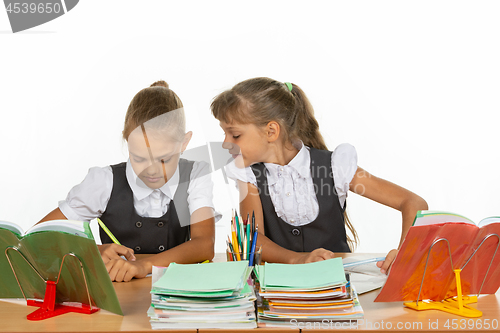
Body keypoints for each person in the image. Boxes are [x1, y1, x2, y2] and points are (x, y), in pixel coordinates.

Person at [211, 77, 428, 274]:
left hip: (340, 289)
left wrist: (406, 255)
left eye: (235, 134)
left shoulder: (335, 166)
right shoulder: (248, 174)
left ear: (271, 132)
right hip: (281, 291)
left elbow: (413, 202)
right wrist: (299, 259)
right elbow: (255, 241)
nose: (225, 143)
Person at [39, 81, 217, 282]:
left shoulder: (195, 174)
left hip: (177, 293)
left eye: (164, 159)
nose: (152, 170)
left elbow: (205, 244)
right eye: (139, 158)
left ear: (184, 143)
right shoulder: (104, 181)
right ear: (127, 140)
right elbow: (39, 238)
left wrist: (143, 265)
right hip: (117, 296)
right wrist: (94, 250)